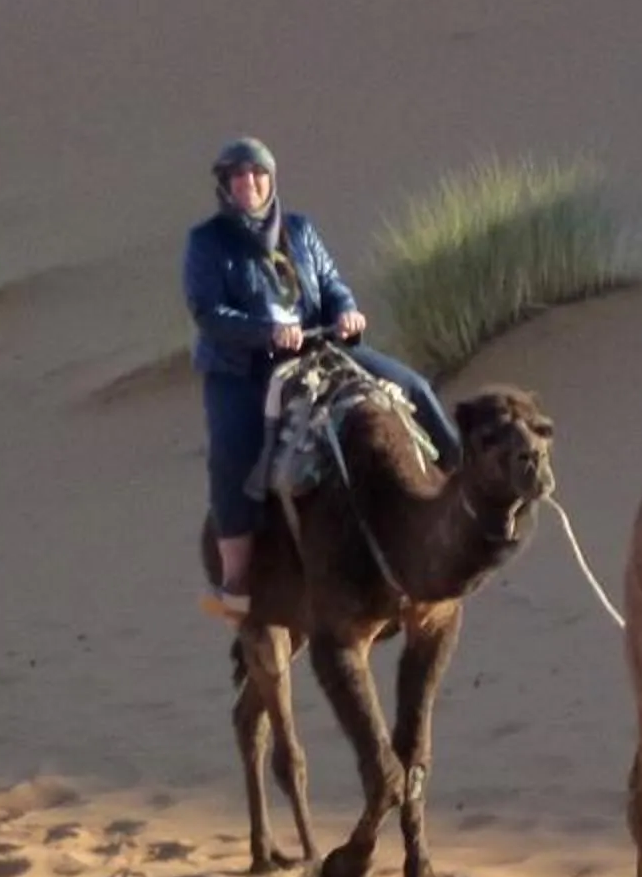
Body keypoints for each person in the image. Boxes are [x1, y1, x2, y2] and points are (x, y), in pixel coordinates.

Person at [183, 137, 458, 618]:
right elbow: (208, 313)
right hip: (243, 368)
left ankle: (461, 490)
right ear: (225, 186)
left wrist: (348, 312)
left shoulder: (300, 230)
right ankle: (236, 581)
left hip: (321, 347)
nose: (249, 184)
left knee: (413, 387)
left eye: (257, 174)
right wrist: (265, 331)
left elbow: (331, 285)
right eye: (238, 177)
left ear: (271, 179)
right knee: (232, 455)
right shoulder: (208, 242)